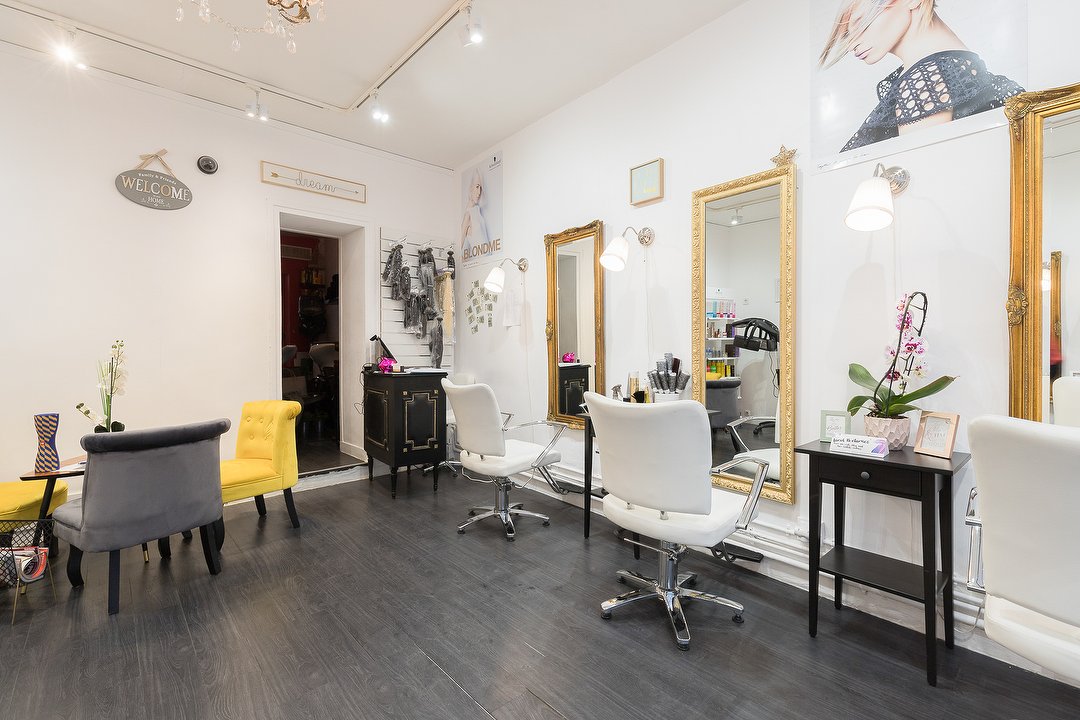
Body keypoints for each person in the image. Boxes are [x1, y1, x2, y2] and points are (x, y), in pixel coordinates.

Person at [819, 0, 1024, 152]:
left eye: (862, 23)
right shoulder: (963, 73)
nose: (852, 45)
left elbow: (923, 178)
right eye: (848, 34)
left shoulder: (924, 83)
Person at [460, 169, 488, 255]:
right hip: (481, 259)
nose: (479, 192)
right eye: (477, 186)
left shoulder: (477, 210)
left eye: (481, 188)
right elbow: (458, 248)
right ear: (470, 187)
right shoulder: (468, 215)